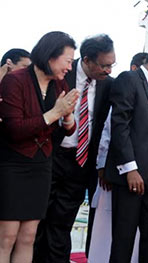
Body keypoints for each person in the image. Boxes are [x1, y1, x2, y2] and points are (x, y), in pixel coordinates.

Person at [87, 50, 148, 263]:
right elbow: (119, 125)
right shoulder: (129, 79)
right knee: (124, 233)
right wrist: (130, 168)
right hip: (132, 170)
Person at [33, 34, 115, 263]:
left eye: (112, 64)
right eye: (104, 65)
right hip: (50, 155)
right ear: (87, 60)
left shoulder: (109, 85)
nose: (109, 70)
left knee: (63, 221)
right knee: (38, 219)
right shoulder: (61, 74)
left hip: (81, 161)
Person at [0, 31, 79, 263]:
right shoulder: (16, 80)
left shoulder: (60, 83)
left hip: (41, 164)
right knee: (7, 236)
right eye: (68, 61)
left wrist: (68, 117)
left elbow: (67, 128)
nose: (69, 68)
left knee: (28, 236)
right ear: (51, 55)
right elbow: (15, 129)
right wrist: (56, 112)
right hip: (13, 163)